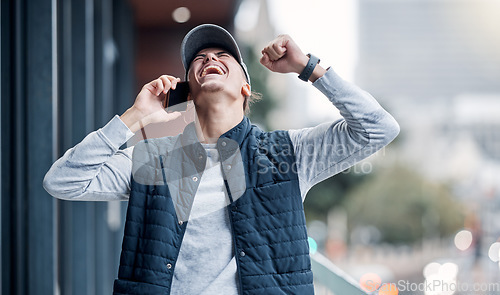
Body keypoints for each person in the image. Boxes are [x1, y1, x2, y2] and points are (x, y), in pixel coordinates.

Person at [44, 24, 400, 295]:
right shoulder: (152, 160)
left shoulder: (287, 154)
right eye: (200, 59)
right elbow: (63, 181)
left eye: (222, 56)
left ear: (246, 87)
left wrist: (307, 67)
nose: (210, 59)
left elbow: (377, 128)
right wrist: (133, 118)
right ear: (186, 91)